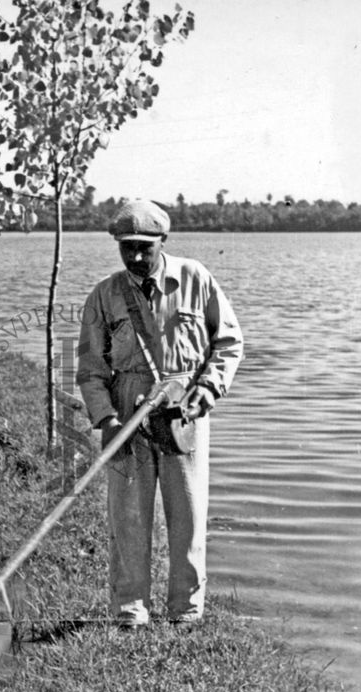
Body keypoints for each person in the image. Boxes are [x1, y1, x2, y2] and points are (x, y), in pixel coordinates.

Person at [76, 199, 243, 627]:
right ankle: (130, 609)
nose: (135, 256)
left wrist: (204, 392)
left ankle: (185, 611)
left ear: (162, 242)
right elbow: (91, 370)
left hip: (182, 407)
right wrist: (107, 420)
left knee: (187, 514)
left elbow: (228, 343)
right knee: (127, 516)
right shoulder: (104, 295)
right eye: (126, 246)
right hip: (127, 408)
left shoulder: (196, 278)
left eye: (144, 247)